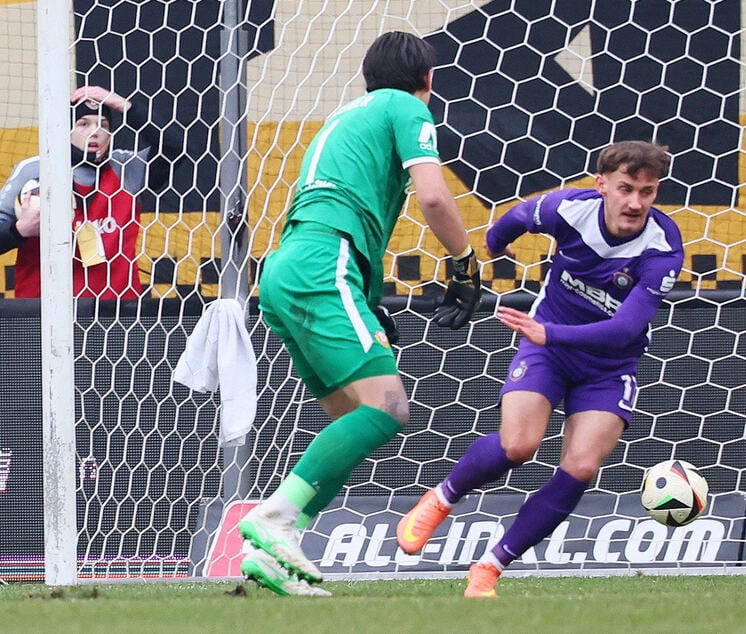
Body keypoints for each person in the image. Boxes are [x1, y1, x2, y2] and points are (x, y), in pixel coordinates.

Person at [237, 31, 482, 597]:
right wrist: (466, 266)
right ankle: (274, 518)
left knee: (354, 415)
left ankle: (276, 548)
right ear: (429, 81)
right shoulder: (406, 107)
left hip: (287, 267)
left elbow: (339, 202)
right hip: (325, 263)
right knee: (389, 407)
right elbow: (435, 197)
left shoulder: (344, 116)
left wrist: (367, 295)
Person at [397, 140, 684, 598]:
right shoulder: (567, 208)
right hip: (546, 350)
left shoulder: (663, 247)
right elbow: (514, 218)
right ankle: (440, 500)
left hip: (606, 364)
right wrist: (494, 247)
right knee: (519, 445)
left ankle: (488, 568)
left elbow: (624, 328)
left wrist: (549, 333)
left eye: (647, 192)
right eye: (626, 188)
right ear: (601, 184)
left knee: (582, 465)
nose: (635, 203)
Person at [0, 85, 161, 299]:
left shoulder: (125, 167)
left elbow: (176, 145)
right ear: (64, 130)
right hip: (45, 312)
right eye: (83, 124)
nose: (94, 132)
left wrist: (123, 105)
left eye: (102, 125)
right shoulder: (34, 171)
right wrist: (20, 230)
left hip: (116, 313)